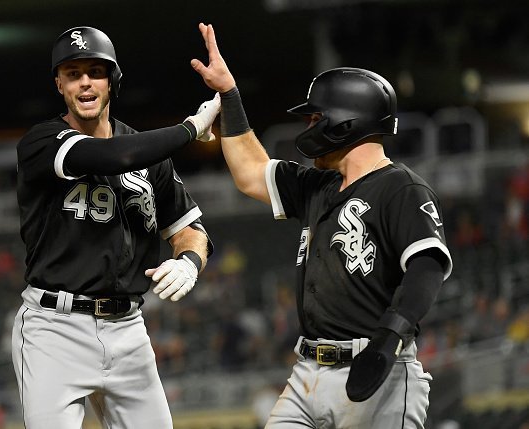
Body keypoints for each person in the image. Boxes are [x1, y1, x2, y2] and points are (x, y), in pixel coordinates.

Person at [191, 23, 453, 428]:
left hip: (376, 369)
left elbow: (426, 266)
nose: (309, 127)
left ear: (346, 122)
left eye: (316, 117)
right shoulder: (318, 185)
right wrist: (230, 95)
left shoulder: (400, 187)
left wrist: (389, 338)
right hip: (307, 370)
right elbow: (250, 173)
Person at [12, 26, 219, 428]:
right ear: (59, 84)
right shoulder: (42, 142)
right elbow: (112, 156)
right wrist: (190, 130)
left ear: (113, 80)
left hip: (128, 330)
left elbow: (191, 229)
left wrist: (189, 261)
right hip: (55, 330)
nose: (85, 81)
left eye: (96, 71)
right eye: (72, 73)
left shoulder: (148, 153)